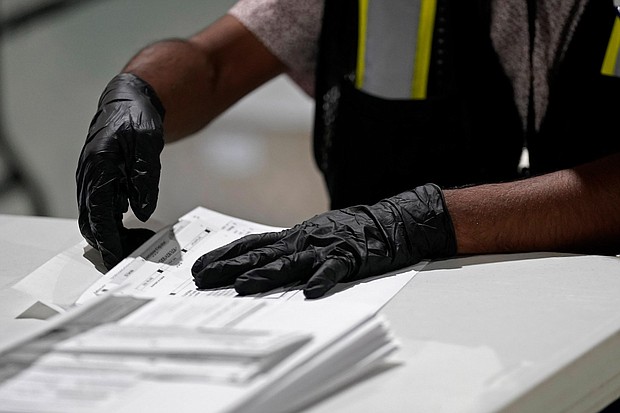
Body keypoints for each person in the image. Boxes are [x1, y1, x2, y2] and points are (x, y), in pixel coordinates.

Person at [76, 0, 620, 300]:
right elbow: (213, 64)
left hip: (589, 311)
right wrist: (138, 92)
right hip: (376, 303)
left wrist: (418, 222)